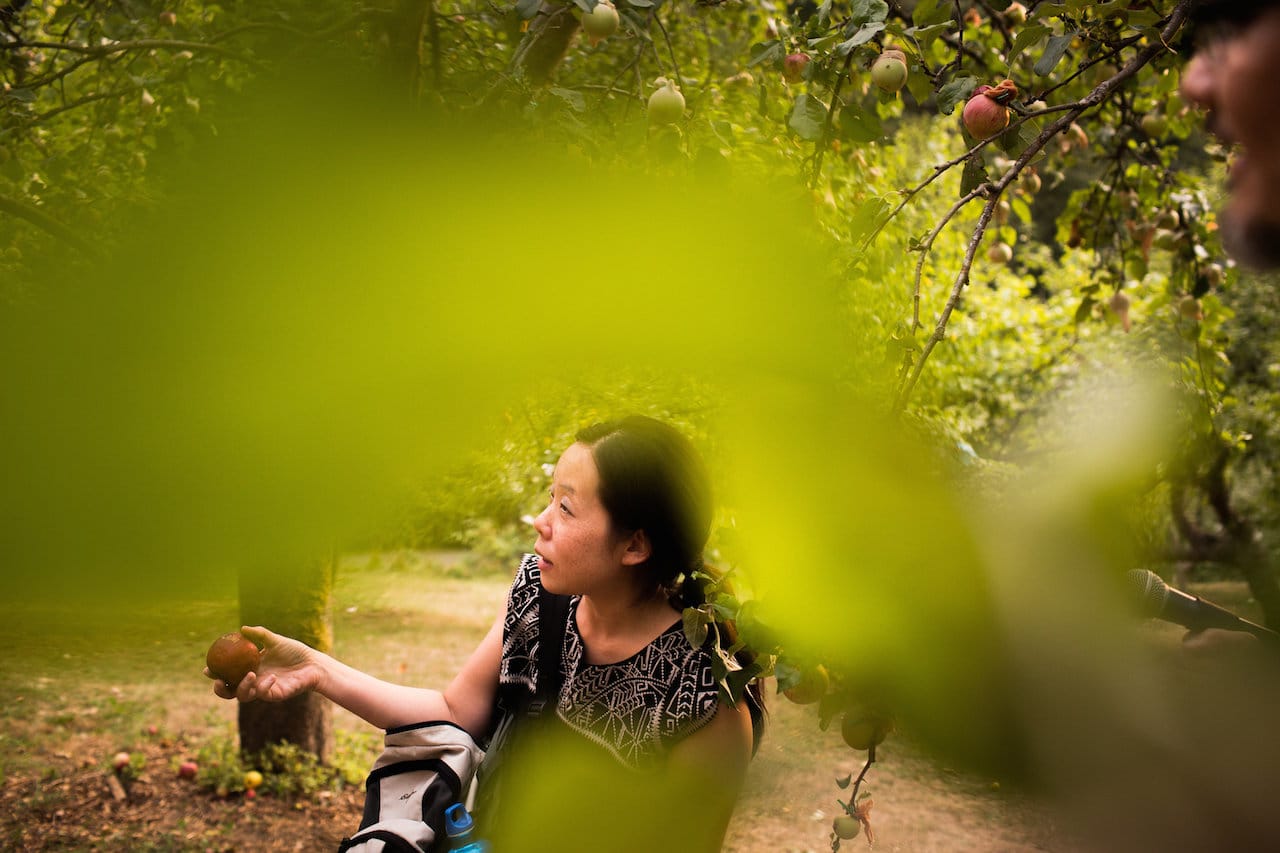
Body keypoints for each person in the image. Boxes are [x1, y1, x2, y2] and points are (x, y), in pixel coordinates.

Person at [206, 415, 763, 852]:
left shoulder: (703, 700)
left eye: (566, 508)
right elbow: (453, 711)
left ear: (635, 546)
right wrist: (317, 669)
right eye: (550, 498)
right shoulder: (539, 600)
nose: (541, 521)